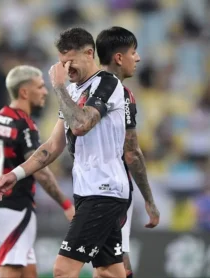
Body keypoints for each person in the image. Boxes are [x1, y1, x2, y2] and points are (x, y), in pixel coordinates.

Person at [0, 27, 160, 278]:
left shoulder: (108, 84)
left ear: (89, 53)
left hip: (104, 191)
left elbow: (81, 125)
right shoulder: (72, 91)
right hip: (88, 190)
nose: (65, 69)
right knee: (110, 272)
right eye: (60, 62)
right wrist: (15, 174)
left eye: (69, 61)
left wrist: (57, 87)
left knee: (63, 269)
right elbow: (52, 146)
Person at [0, 65, 75, 278]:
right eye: (40, 86)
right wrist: (65, 203)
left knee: (28, 272)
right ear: (24, 92)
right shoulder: (24, 124)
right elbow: (40, 171)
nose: (44, 92)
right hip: (16, 207)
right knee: (10, 270)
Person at [96, 26, 160, 278]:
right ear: (119, 58)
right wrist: (150, 200)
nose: (139, 58)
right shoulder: (121, 94)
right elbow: (131, 152)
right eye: (134, 52)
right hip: (111, 189)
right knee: (115, 268)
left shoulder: (78, 90)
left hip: (86, 188)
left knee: (108, 267)